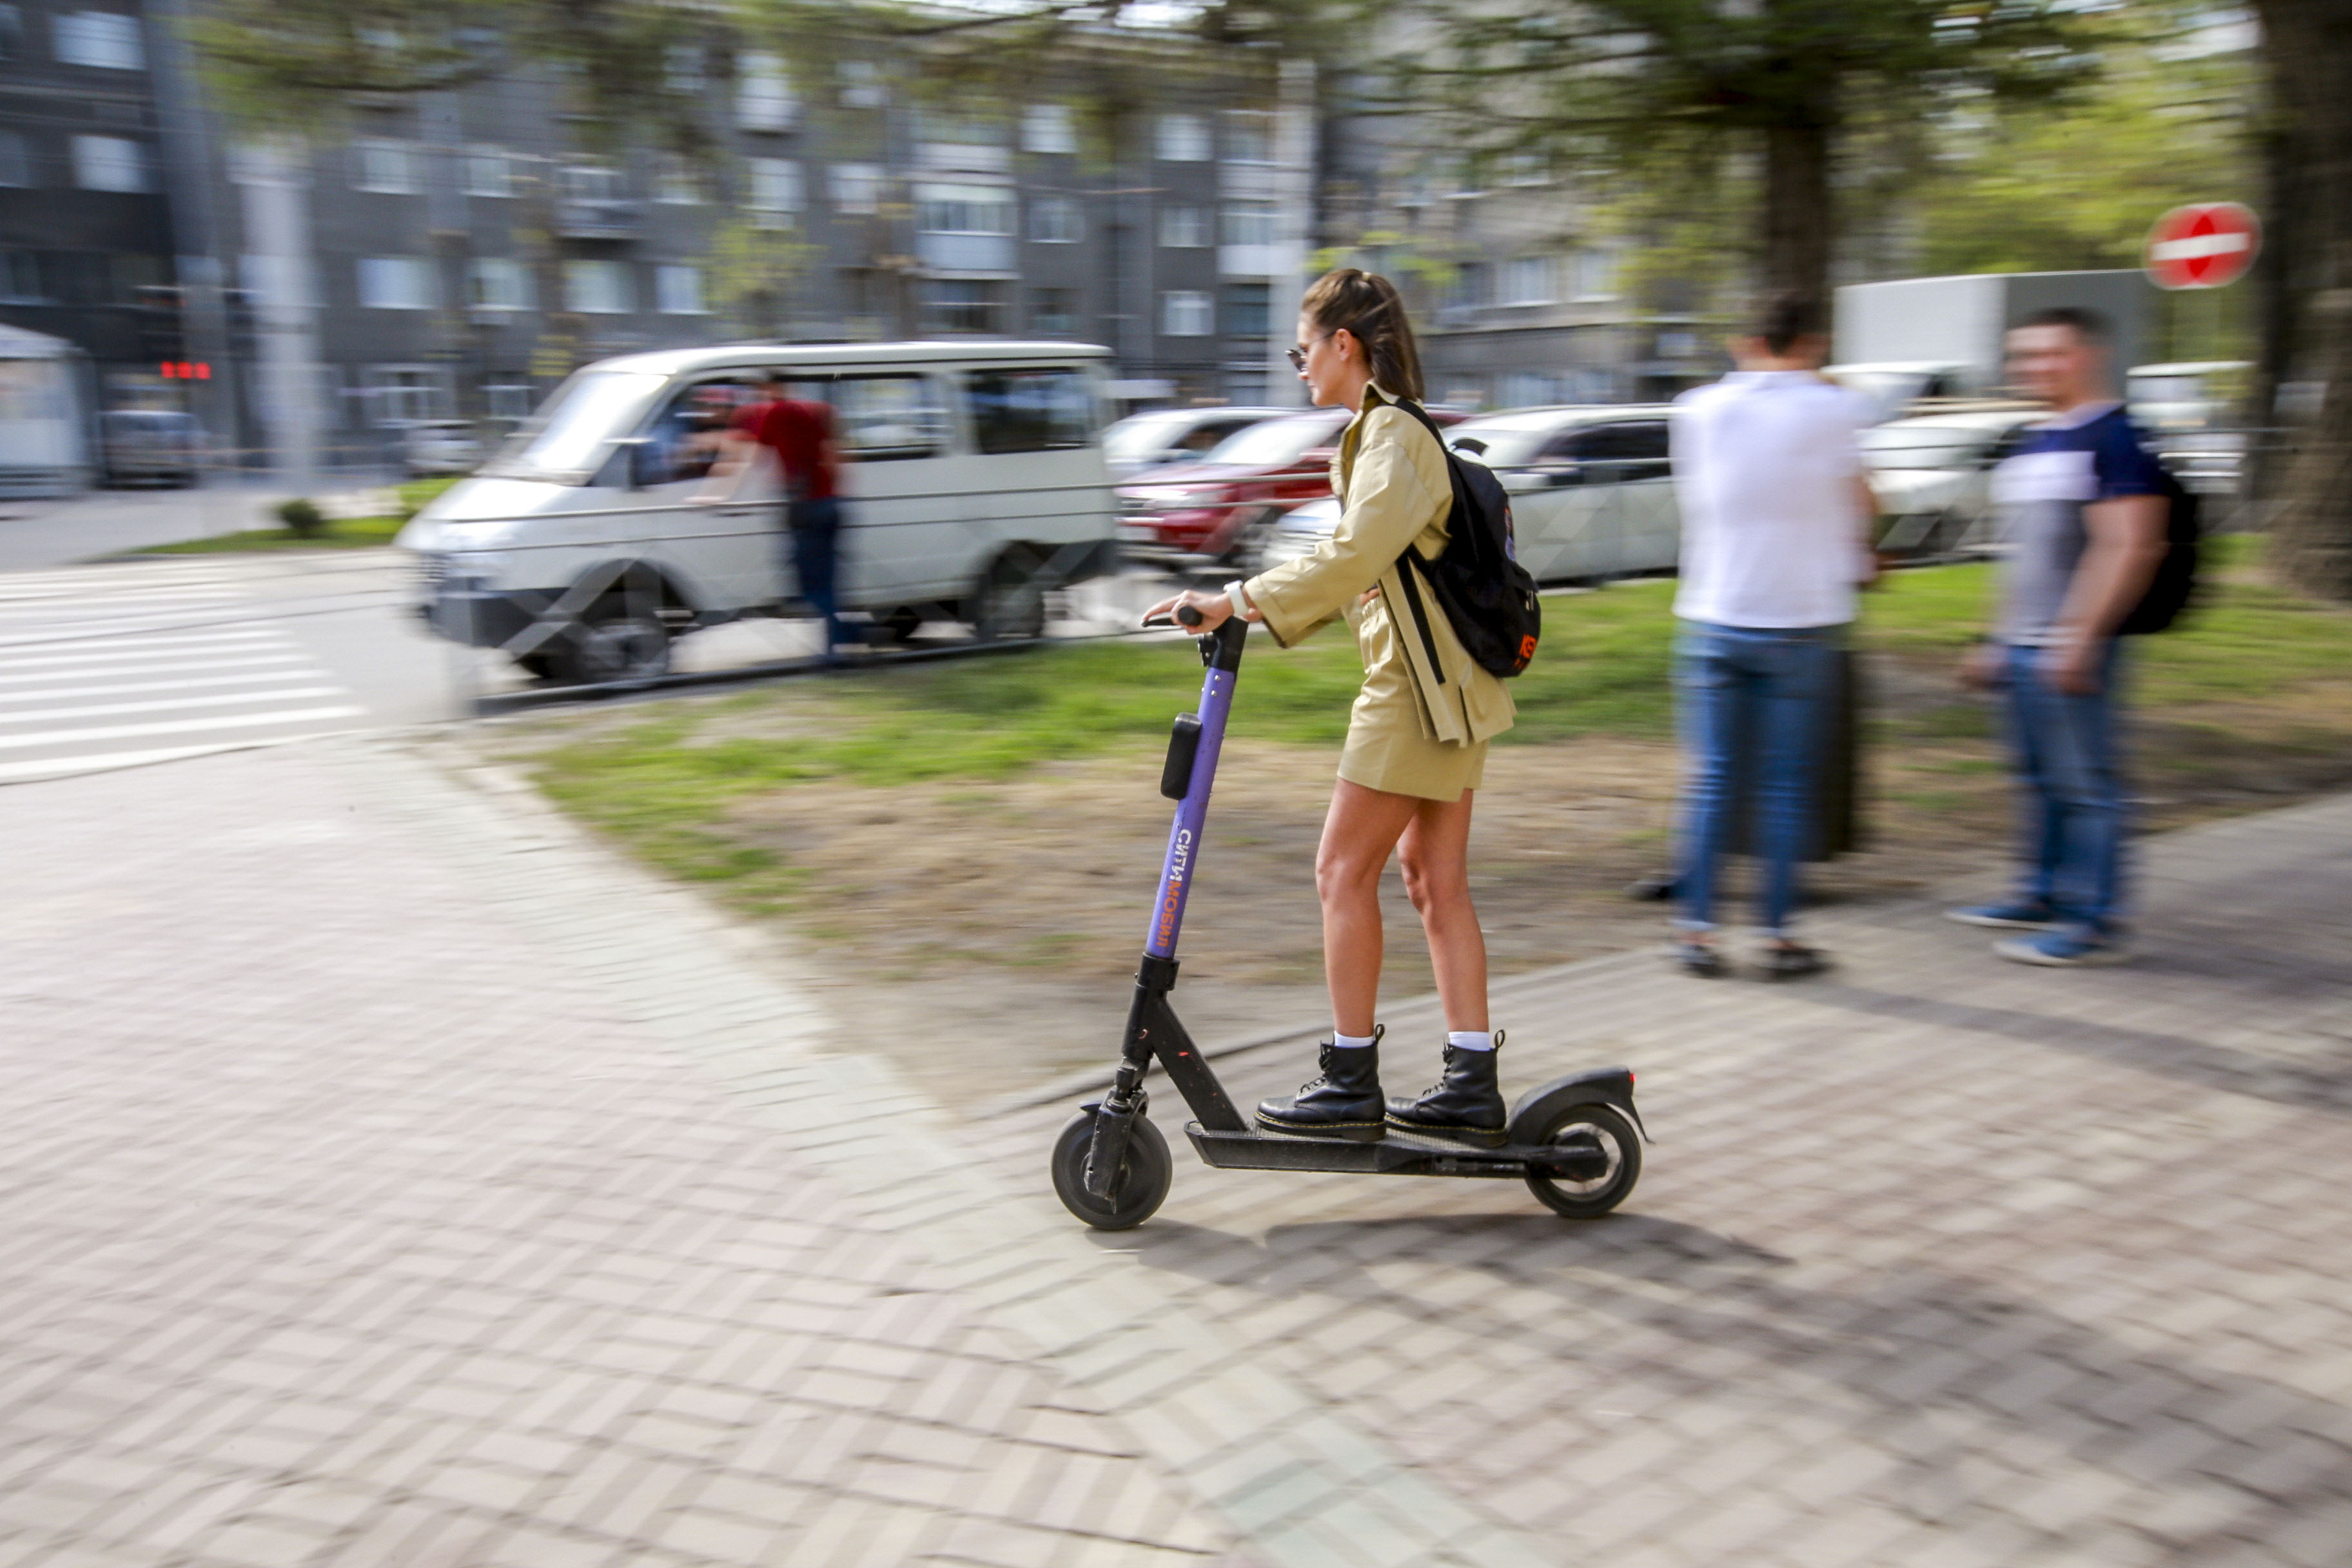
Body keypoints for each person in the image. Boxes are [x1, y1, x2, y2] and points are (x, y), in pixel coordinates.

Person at [1141, 270, 1517, 1146]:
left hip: (1413, 692)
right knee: (1432, 882)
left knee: (1341, 872)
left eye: (1302, 348)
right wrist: (1255, 607)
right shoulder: (1389, 433)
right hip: (1448, 688)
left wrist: (1238, 599)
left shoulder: (1390, 434)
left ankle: (1350, 1080)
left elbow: (1353, 555)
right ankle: (1472, 1083)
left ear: (1344, 345)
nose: (1300, 365)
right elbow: (1364, 570)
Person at [1666, 291, 1879, 979]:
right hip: (1804, 618)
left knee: (1713, 779)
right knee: (1788, 784)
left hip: (1715, 610)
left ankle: (1697, 933)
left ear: (1744, 341)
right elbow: (1864, 500)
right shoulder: (1836, 408)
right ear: (1814, 342)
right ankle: (1777, 936)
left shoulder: (1696, 409)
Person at [1949, 307, 2168, 966]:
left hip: (2072, 645)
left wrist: (2081, 637)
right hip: (2021, 644)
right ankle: (2041, 894)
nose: (2036, 367)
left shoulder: (2117, 437)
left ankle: (2093, 923)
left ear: (2089, 356)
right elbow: (2024, 555)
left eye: (2052, 353)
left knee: (2086, 786)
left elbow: (2130, 545)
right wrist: (1995, 638)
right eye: (2024, 356)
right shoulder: (2035, 439)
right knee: (2040, 778)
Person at [726, 375, 848, 659]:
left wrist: (725, 494)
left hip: (806, 508)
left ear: (771, 388)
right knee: (825, 580)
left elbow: (753, 459)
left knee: (807, 581)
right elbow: (834, 457)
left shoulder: (777, 412)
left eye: (760, 391)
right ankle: (839, 641)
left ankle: (840, 645)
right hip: (828, 503)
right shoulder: (814, 410)